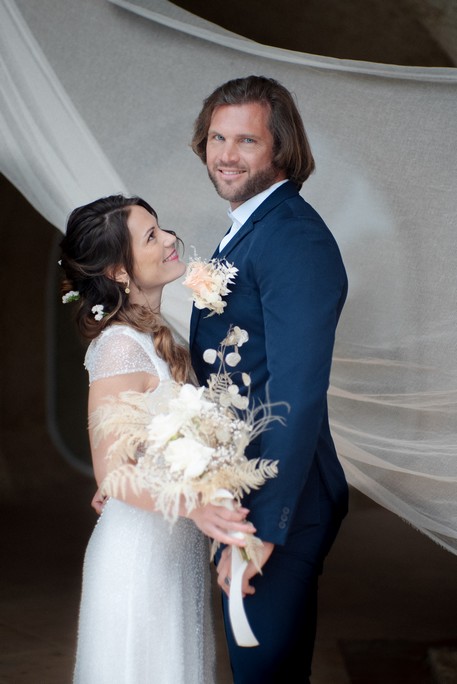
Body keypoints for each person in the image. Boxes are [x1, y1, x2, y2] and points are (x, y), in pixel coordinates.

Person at [189, 75, 349, 683]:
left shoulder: (294, 238)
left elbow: (295, 390)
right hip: (243, 490)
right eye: (217, 137)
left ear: (279, 149)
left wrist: (260, 527)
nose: (226, 154)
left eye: (246, 140)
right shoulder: (250, 227)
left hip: (282, 498)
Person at [59, 194, 255, 683]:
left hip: (171, 556)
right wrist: (197, 507)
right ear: (119, 272)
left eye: (161, 227)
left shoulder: (155, 338)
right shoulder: (118, 347)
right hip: (138, 562)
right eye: (150, 236)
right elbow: (110, 473)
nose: (169, 238)